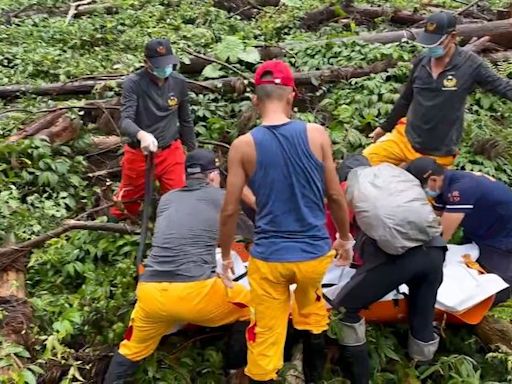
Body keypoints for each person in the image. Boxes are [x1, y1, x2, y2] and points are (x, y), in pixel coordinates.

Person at [218, 59, 354, 384]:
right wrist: (345, 239)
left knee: (266, 333)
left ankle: (263, 375)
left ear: (255, 99)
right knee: (311, 312)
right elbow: (335, 196)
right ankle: (313, 377)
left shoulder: (243, 146)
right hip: (314, 257)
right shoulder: (317, 135)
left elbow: (229, 209)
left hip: (270, 259)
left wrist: (225, 257)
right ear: (292, 95)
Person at [104, 149, 250, 383]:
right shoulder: (223, 197)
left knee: (131, 349)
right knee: (252, 308)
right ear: (212, 176)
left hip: (150, 292)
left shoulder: (167, 199)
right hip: (194, 293)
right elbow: (249, 232)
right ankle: (234, 371)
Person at [332, 163, 446, 384]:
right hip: (434, 252)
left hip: (400, 259)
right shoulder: (390, 179)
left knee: (344, 309)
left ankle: (358, 376)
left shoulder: (351, 189)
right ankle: (424, 372)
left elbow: (346, 231)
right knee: (422, 314)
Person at [364, 11, 512, 167]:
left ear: (453, 37)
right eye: (429, 43)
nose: (432, 48)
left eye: (437, 43)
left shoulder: (471, 65)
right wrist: (384, 128)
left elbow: (502, 87)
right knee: (363, 162)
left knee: (425, 189)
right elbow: (406, 99)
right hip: (405, 138)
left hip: (438, 151)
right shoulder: (422, 61)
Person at [110, 38, 196, 220]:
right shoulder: (133, 83)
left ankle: (172, 232)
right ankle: (117, 229)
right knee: (127, 201)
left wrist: (193, 152)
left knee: (178, 199)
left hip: (171, 152)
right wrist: (142, 135)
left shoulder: (178, 82)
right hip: (140, 154)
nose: (164, 69)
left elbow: (185, 120)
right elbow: (125, 121)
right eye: (159, 65)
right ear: (146, 62)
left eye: (168, 64)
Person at [406, 156, 512, 304]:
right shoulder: (446, 185)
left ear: (434, 180)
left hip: (500, 235)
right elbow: (432, 219)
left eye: (419, 187)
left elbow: (442, 236)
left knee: (498, 286)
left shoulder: (462, 189)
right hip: (480, 228)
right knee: (466, 263)